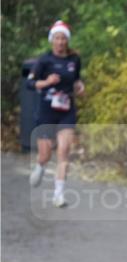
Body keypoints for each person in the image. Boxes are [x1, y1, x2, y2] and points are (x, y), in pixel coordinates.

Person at [29, 20, 85, 208]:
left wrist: (80, 86)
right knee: (45, 155)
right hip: (47, 111)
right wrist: (47, 82)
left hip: (67, 110)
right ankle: (41, 165)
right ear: (52, 40)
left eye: (63, 39)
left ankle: (58, 195)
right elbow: (30, 83)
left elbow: (76, 80)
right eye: (57, 38)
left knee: (63, 152)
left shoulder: (74, 60)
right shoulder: (44, 60)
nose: (60, 42)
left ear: (67, 41)